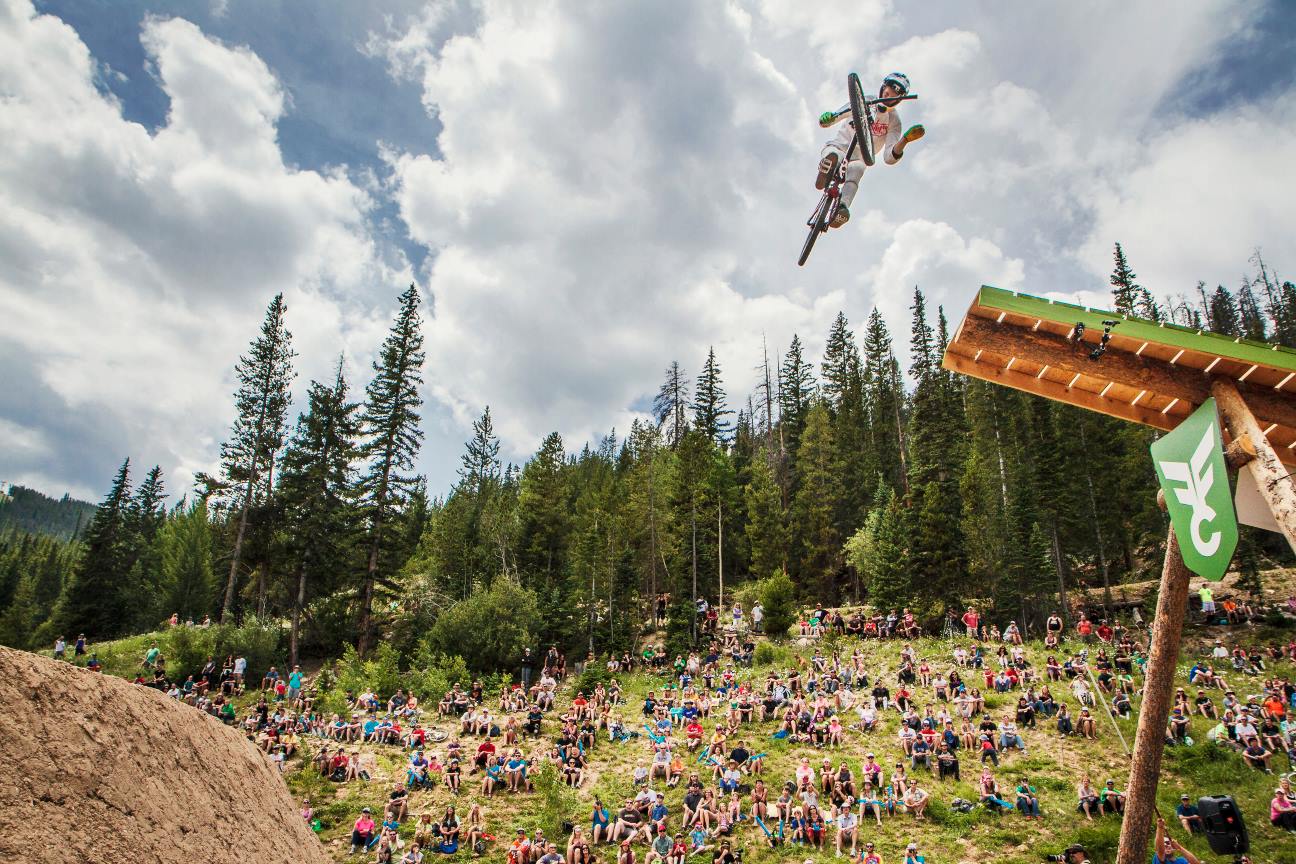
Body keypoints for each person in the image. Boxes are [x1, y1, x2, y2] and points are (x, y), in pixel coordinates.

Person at [814, 72, 925, 228]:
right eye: (888, 87)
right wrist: (829, 117)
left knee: (858, 168)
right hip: (841, 146)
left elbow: (889, 157)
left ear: (900, 99)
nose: (889, 93)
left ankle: (841, 209)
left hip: (859, 157)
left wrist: (905, 140)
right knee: (834, 153)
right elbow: (839, 114)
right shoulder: (865, 100)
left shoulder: (894, 121)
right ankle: (826, 168)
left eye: (896, 92)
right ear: (883, 86)